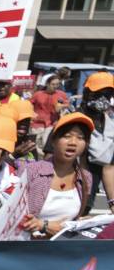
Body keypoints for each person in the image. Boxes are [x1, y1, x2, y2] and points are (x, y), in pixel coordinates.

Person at [16, 113, 93, 239]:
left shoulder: (86, 178)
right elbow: (11, 215)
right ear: (53, 141)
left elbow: (73, 219)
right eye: (67, 136)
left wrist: (83, 223)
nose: (73, 142)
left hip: (63, 251)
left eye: (80, 138)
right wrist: (44, 226)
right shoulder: (31, 170)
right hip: (27, 248)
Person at [79, 71, 114, 215]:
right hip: (68, 191)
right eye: (99, 93)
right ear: (87, 93)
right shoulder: (74, 120)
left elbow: (108, 167)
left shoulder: (110, 126)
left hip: (89, 195)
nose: (104, 98)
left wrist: (112, 202)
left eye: (108, 94)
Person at [31, 75, 70, 148]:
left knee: (46, 143)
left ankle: (44, 159)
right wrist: (31, 113)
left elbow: (67, 104)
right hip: (37, 123)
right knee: (34, 145)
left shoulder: (61, 94)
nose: (55, 86)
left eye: (57, 84)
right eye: (53, 84)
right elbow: (29, 104)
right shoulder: (38, 94)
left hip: (52, 123)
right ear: (47, 84)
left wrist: (62, 106)